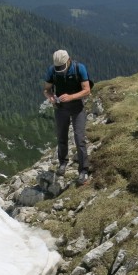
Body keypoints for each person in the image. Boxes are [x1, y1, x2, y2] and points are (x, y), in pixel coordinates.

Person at [43, 49, 92, 186]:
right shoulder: (52, 70)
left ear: (68, 60)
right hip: (60, 108)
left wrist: (71, 97)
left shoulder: (79, 68)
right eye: (58, 68)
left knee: (79, 138)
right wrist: (51, 97)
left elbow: (87, 90)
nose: (60, 70)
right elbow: (46, 89)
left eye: (62, 67)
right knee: (61, 137)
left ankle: (83, 170)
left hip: (77, 107)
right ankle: (63, 163)